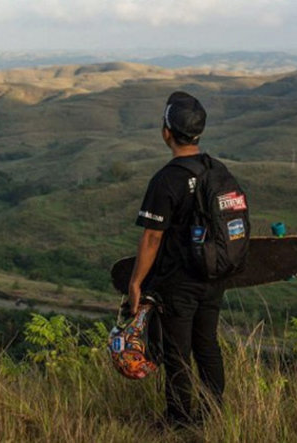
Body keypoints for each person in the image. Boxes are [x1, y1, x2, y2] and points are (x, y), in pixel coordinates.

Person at [128, 91, 225, 427]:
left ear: (166, 132)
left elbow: (153, 237)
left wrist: (136, 282)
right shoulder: (217, 170)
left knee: (177, 352)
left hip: (179, 281)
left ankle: (180, 421)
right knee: (207, 345)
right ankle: (213, 416)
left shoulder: (166, 179)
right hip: (214, 276)